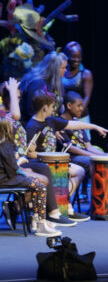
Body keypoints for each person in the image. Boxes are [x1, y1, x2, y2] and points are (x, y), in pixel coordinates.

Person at [1, 78, 76, 227]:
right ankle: (42, 214)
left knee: (43, 169)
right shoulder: (5, 116)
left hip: (16, 161)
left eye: (19, 97)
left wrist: (28, 152)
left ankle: (21, 208)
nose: (18, 100)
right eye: (16, 98)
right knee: (42, 177)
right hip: (8, 167)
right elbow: (15, 117)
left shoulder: (8, 116)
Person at [25, 89, 108, 221]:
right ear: (44, 107)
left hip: (53, 162)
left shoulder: (51, 121)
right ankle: (60, 207)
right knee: (63, 172)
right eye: (52, 107)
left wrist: (94, 126)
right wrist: (40, 154)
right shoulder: (32, 126)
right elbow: (30, 154)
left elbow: (73, 124)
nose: (54, 109)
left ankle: (64, 206)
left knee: (79, 171)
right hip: (39, 164)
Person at [0, 115, 62, 237]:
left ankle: (37, 220)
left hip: (6, 178)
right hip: (6, 180)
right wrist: (20, 162)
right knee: (40, 186)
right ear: (7, 129)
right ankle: (41, 224)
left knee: (35, 182)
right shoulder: (5, 145)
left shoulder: (3, 144)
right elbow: (12, 170)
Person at [59, 91, 108, 202]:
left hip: (84, 155)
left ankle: (107, 201)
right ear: (69, 105)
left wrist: (104, 155)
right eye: (79, 106)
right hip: (71, 157)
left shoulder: (78, 123)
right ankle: (99, 202)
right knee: (95, 163)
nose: (82, 109)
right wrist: (93, 156)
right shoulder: (60, 123)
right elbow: (71, 148)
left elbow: (89, 146)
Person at [19, 51, 67, 122]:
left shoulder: (55, 82)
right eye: (63, 68)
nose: (65, 70)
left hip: (50, 124)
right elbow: (32, 112)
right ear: (54, 69)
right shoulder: (37, 84)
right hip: (33, 126)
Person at [62, 42, 94, 140]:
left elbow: (87, 97)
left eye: (79, 57)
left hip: (80, 116)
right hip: (65, 116)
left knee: (84, 143)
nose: (77, 60)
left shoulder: (85, 74)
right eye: (73, 56)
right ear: (67, 56)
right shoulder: (62, 72)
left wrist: (77, 114)